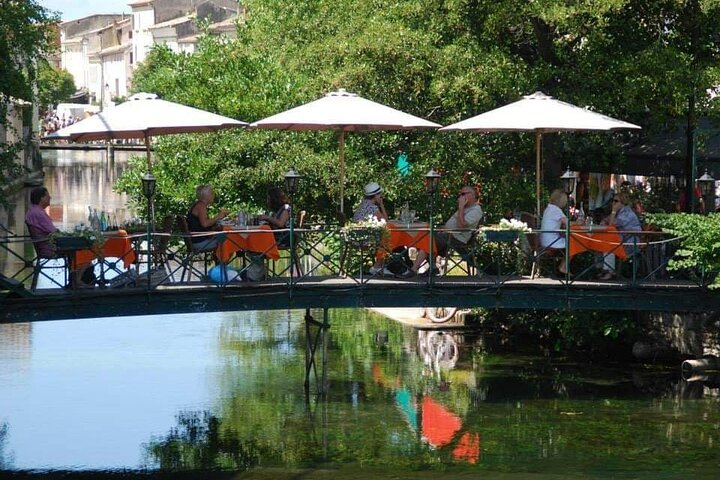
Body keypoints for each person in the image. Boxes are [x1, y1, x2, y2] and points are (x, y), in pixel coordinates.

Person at [408, 185, 484, 276]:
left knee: (428, 238)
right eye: (460, 194)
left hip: (458, 238)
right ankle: (432, 268)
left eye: (463, 194)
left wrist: (460, 207)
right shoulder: (465, 208)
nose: (460, 197)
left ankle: (414, 270)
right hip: (448, 235)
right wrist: (441, 228)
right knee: (421, 235)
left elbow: (461, 226)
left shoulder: (476, 210)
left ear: (473, 195)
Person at [25, 186, 92, 287]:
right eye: (47, 196)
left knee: (76, 249)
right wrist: (69, 235)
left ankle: (74, 280)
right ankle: (77, 281)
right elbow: (54, 232)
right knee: (84, 251)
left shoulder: (32, 211)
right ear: (41, 198)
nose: (50, 198)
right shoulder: (39, 213)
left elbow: (52, 232)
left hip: (45, 245)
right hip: (50, 248)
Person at [597, 191, 642, 280]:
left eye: (616, 201)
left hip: (630, 242)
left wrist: (613, 211)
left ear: (623, 202)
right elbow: (605, 220)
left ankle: (609, 271)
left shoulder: (626, 213)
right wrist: (608, 218)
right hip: (621, 239)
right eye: (613, 201)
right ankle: (601, 268)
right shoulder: (620, 211)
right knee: (597, 243)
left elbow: (611, 225)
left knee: (607, 244)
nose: (613, 203)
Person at [350, 182, 391, 275]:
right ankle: (378, 266)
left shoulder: (363, 204)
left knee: (386, 235)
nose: (381, 196)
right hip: (364, 239)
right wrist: (381, 205)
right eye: (380, 194)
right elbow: (385, 220)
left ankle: (382, 265)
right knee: (388, 237)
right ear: (375, 196)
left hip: (354, 237)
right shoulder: (372, 207)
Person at [186, 185, 229, 251]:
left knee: (226, 237)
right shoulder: (201, 206)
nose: (213, 195)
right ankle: (222, 261)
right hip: (199, 242)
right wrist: (218, 217)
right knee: (229, 240)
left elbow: (200, 226)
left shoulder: (198, 204)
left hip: (195, 240)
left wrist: (215, 226)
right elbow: (205, 224)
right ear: (205, 195)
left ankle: (220, 260)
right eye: (211, 193)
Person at [539, 189, 571, 277]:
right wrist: (579, 223)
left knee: (570, 241)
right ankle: (563, 266)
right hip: (551, 242)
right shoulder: (556, 210)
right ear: (559, 200)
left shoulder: (548, 208)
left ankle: (563, 266)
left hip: (544, 240)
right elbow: (568, 224)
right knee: (573, 244)